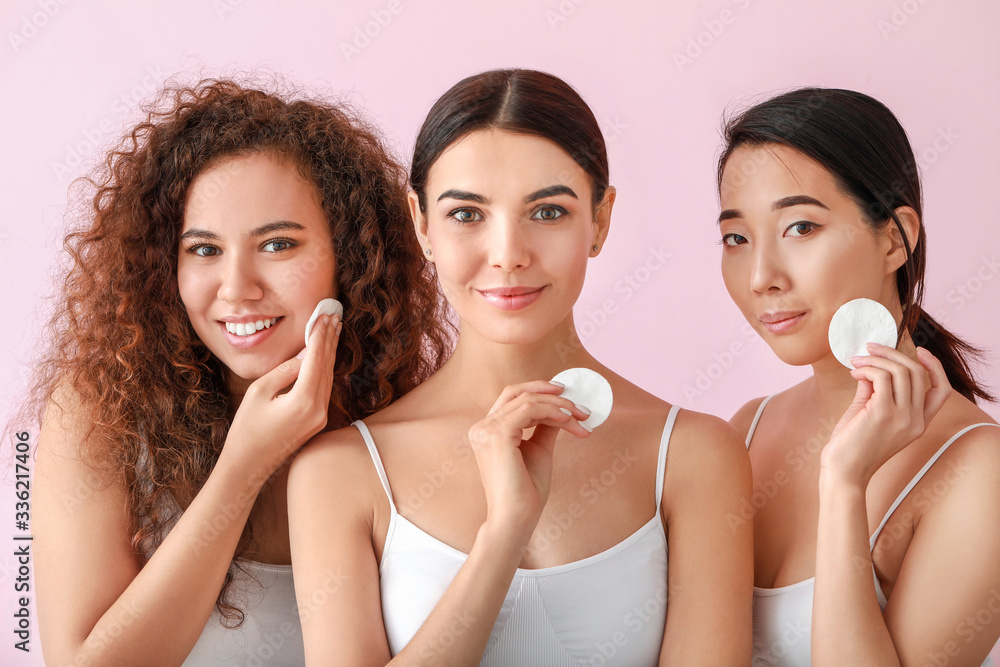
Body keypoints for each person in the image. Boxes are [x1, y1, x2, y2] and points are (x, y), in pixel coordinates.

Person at [289, 68, 753, 665]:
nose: (508, 254)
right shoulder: (339, 472)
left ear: (600, 221)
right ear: (422, 223)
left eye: (548, 212)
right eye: (466, 214)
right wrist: (504, 530)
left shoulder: (694, 455)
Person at [26, 77, 450, 665]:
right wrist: (244, 466)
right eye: (204, 250)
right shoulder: (101, 413)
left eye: (277, 245)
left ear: (351, 256)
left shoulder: (406, 421)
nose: (236, 288)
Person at [716, 87, 1000, 666]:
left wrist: (844, 485)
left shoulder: (980, 472)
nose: (761, 276)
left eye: (800, 227)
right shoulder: (748, 429)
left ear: (895, 238)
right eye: (736, 238)